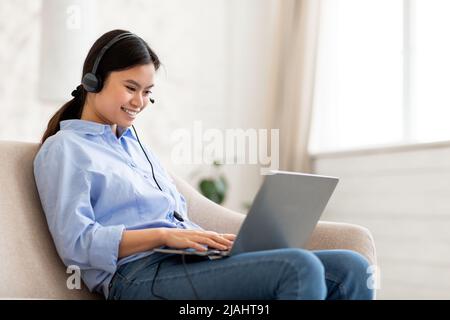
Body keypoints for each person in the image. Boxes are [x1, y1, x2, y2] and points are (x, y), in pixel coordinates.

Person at [33, 29, 374, 300]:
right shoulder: (65, 149)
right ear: (93, 82)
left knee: (351, 267)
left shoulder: (135, 147)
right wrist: (163, 236)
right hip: (136, 278)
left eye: (148, 91)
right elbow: (76, 244)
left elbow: (174, 214)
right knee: (298, 268)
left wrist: (210, 241)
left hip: (185, 263)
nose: (140, 102)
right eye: (131, 88)